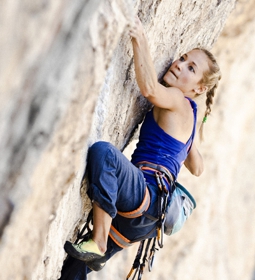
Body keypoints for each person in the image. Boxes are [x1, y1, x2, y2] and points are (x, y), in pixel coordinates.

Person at [59, 15, 221, 279]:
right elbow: (198, 168)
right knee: (75, 269)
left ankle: (98, 241)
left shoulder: (179, 99)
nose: (180, 66)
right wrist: (188, 145)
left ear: (199, 88)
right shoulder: (189, 119)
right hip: (145, 222)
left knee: (105, 154)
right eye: (183, 58)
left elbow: (149, 89)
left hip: (145, 195)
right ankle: (93, 250)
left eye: (191, 69)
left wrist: (139, 38)